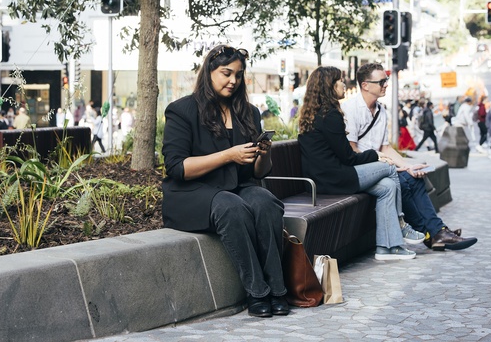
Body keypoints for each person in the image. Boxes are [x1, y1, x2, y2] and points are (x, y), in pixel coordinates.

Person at [162, 44, 289, 318]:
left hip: (237, 187)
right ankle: (257, 292)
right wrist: (228, 155)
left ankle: (278, 290)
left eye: (239, 75)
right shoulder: (182, 110)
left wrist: (263, 155)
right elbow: (177, 167)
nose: (233, 81)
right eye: (226, 73)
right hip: (193, 192)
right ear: (209, 72)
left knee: (266, 201)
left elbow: (259, 173)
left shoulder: (249, 113)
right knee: (231, 206)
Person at [342, 63, 477, 251]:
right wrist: (385, 163)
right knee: (403, 181)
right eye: (381, 81)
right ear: (365, 85)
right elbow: (352, 149)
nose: (385, 85)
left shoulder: (381, 111)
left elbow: (386, 147)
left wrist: (407, 166)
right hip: (362, 169)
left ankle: (436, 233)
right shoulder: (350, 109)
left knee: (413, 177)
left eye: (386, 80)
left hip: (382, 165)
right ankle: (434, 234)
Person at [298, 66, 423, 261]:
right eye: (339, 81)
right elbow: (348, 157)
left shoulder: (316, 114)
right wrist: (375, 155)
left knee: (388, 186)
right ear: (329, 86)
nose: (344, 85)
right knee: (389, 168)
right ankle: (400, 223)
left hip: (323, 178)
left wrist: (375, 156)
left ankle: (386, 248)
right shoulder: (330, 116)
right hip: (334, 179)